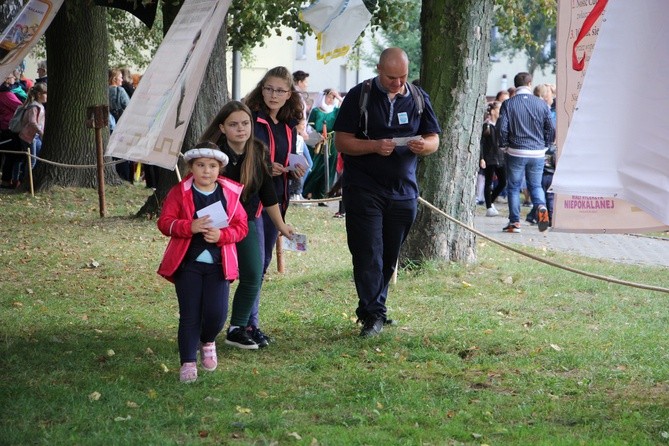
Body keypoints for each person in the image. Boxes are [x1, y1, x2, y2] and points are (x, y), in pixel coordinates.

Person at [333, 47, 441, 337]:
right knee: (368, 250)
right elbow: (341, 142)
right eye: (391, 77)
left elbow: (434, 139)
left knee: (389, 254)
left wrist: (424, 146)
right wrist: (373, 146)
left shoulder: (418, 97)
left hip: (404, 191)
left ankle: (375, 307)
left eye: (402, 76)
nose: (397, 83)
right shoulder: (360, 95)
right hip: (364, 188)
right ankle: (372, 315)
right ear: (379, 69)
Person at [200, 100, 295, 349]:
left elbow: (267, 192)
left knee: (253, 274)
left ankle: (237, 328)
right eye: (233, 124)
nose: (241, 129)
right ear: (222, 127)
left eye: (245, 123)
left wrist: (281, 226)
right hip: (215, 223)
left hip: (246, 222)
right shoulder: (213, 154)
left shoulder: (258, 150)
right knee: (215, 275)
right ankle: (204, 328)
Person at [156, 143, 249, 383]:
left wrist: (222, 236)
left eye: (212, 166)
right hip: (188, 264)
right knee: (189, 315)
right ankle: (188, 362)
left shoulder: (230, 194)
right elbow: (165, 222)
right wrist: (189, 227)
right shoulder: (180, 192)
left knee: (216, 314)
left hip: (219, 265)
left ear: (220, 169)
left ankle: (207, 341)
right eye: (200, 165)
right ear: (191, 167)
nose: (206, 171)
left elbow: (242, 227)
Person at [243, 66, 306, 346]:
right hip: (252, 202)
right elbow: (244, 158)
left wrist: (294, 169)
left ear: (289, 93)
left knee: (263, 263)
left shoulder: (288, 125)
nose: (273, 95)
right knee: (254, 266)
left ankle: (248, 323)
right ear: (261, 88)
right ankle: (246, 325)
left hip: (277, 202)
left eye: (280, 90)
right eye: (268, 88)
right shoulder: (250, 120)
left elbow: (289, 157)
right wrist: (267, 168)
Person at [497, 72, 555, 233]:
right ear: (530, 84)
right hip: (537, 152)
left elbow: (502, 128)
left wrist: (504, 146)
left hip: (515, 151)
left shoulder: (509, 104)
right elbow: (550, 127)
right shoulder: (541, 104)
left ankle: (515, 222)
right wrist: (546, 145)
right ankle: (541, 207)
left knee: (514, 187)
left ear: (516, 85)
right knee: (535, 185)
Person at [303, 88, 342, 203]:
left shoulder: (336, 111)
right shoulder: (316, 111)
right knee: (315, 167)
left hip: (332, 143)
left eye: (333, 97)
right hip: (317, 142)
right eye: (329, 97)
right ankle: (308, 192)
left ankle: (323, 195)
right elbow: (309, 127)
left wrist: (338, 97)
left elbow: (346, 107)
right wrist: (317, 136)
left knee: (329, 168)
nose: (330, 99)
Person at [14, 83, 47, 182]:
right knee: (32, 161)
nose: (47, 96)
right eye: (45, 93)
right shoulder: (34, 106)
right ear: (39, 95)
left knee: (37, 158)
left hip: (36, 137)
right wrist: (41, 132)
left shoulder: (40, 106)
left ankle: (29, 179)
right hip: (29, 137)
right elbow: (32, 122)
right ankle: (27, 181)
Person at [479, 101, 506, 217]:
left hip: (500, 157)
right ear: (494, 111)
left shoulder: (501, 124)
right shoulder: (487, 125)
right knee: (488, 182)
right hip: (489, 157)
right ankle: (489, 206)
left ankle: (490, 200)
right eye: (499, 109)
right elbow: (481, 143)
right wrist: (482, 158)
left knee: (503, 182)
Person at [108, 68, 132, 182]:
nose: (122, 79)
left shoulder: (104, 91)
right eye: (120, 77)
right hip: (120, 124)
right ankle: (124, 177)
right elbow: (129, 106)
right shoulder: (120, 91)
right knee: (121, 153)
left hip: (108, 125)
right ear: (114, 78)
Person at [0, 72, 23, 189]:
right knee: (11, 155)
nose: (14, 78)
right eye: (12, 76)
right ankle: (6, 180)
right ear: (6, 79)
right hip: (8, 128)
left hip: (4, 127)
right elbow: (20, 106)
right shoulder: (6, 94)